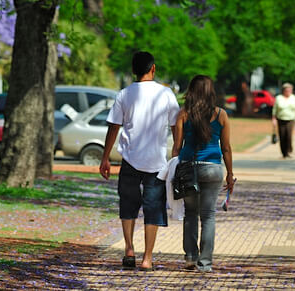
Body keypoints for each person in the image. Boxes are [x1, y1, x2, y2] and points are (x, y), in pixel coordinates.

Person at [100, 50, 180, 271]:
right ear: (153, 69)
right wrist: (177, 148)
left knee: (128, 204)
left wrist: (105, 157)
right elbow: (176, 126)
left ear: (133, 70)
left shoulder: (124, 94)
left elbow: (113, 127)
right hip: (156, 163)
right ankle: (147, 258)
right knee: (153, 208)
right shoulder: (166, 95)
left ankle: (128, 249)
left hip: (129, 160)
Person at [170, 75, 236, 274]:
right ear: (210, 92)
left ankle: (190, 257)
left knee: (191, 214)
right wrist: (230, 174)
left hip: (189, 167)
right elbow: (226, 148)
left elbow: (177, 147)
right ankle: (205, 263)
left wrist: (174, 167)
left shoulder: (183, 114)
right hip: (213, 167)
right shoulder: (221, 114)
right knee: (208, 216)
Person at [271, 83, 295, 158]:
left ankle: (288, 149)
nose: (288, 92)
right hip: (281, 118)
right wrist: (274, 118)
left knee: (288, 135)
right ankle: (284, 152)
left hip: (290, 119)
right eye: (287, 90)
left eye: (290, 90)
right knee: (282, 135)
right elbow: (275, 109)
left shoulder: (294, 98)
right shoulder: (279, 98)